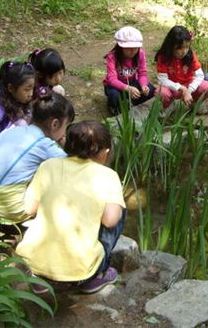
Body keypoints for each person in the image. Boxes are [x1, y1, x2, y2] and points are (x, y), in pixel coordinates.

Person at [16, 121, 126, 295]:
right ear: (104, 153)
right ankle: (97, 275)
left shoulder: (48, 166)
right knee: (119, 210)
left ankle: (42, 279)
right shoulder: (108, 176)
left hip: (34, 265)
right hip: (80, 273)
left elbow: (29, 209)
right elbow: (110, 220)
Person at [0, 91, 74, 223]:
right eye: (66, 126)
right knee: (54, 176)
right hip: (9, 209)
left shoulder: (10, 131)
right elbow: (72, 167)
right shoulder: (45, 145)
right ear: (55, 124)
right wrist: (63, 142)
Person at [155, 25, 208, 109]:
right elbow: (162, 80)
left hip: (188, 85)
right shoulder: (163, 57)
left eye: (187, 47)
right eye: (179, 48)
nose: (184, 51)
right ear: (171, 45)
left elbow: (200, 75)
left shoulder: (191, 54)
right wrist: (181, 89)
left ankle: (192, 103)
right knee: (161, 93)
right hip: (171, 88)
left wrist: (189, 90)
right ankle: (168, 107)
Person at [103, 26, 155, 115]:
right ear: (120, 47)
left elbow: (142, 73)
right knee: (114, 95)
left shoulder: (140, 54)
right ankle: (114, 106)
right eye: (128, 48)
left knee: (151, 89)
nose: (133, 51)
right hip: (114, 86)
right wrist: (127, 88)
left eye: (135, 48)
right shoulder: (112, 57)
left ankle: (134, 102)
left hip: (131, 83)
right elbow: (112, 80)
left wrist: (143, 86)